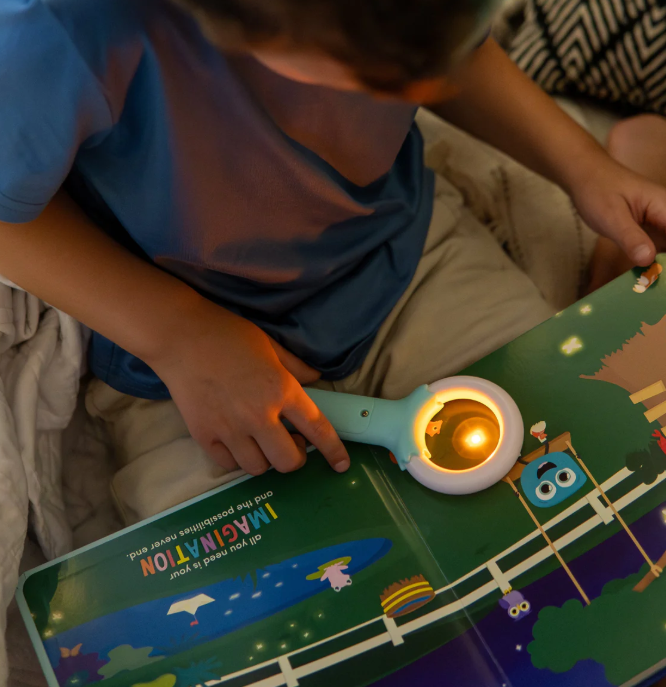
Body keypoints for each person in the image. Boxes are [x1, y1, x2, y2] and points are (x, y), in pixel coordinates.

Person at [1, 0, 666, 524]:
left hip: (407, 259)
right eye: (380, 74)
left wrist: (583, 166)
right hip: (177, 364)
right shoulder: (60, 26)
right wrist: (180, 335)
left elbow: (448, 51)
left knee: (597, 464)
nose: (429, 87)